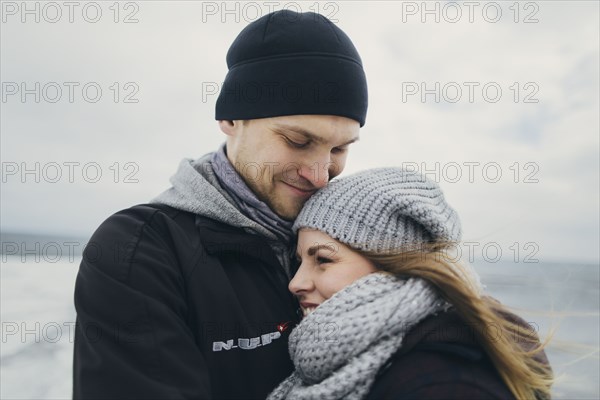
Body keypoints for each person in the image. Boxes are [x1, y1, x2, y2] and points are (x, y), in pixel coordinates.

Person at [72, 9, 368, 399]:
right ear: (231, 118)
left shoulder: (355, 243)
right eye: (298, 141)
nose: (319, 174)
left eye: (339, 149)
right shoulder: (141, 249)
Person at [268, 167, 553, 400]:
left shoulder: (445, 385)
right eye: (299, 261)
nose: (296, 283)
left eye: (323, 260)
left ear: (392, 265)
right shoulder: (352, 358)